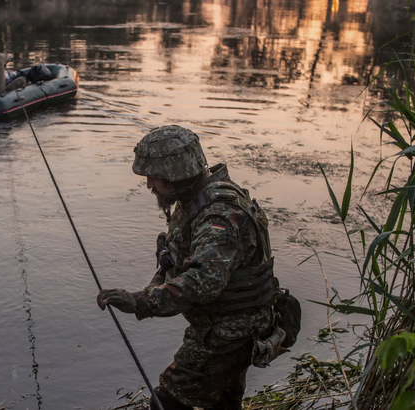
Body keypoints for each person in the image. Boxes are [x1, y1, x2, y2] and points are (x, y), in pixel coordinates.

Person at [96, 125, 279, 410]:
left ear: (175, 174)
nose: (148, 185)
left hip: (229, 331)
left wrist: (139, 301)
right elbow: (178, 267)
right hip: (229, 324)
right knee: (223, 403)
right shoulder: (195, 201)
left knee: (169, 400)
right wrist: (146, 295)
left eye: (153, 178)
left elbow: (202, 283)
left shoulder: (217, 214)